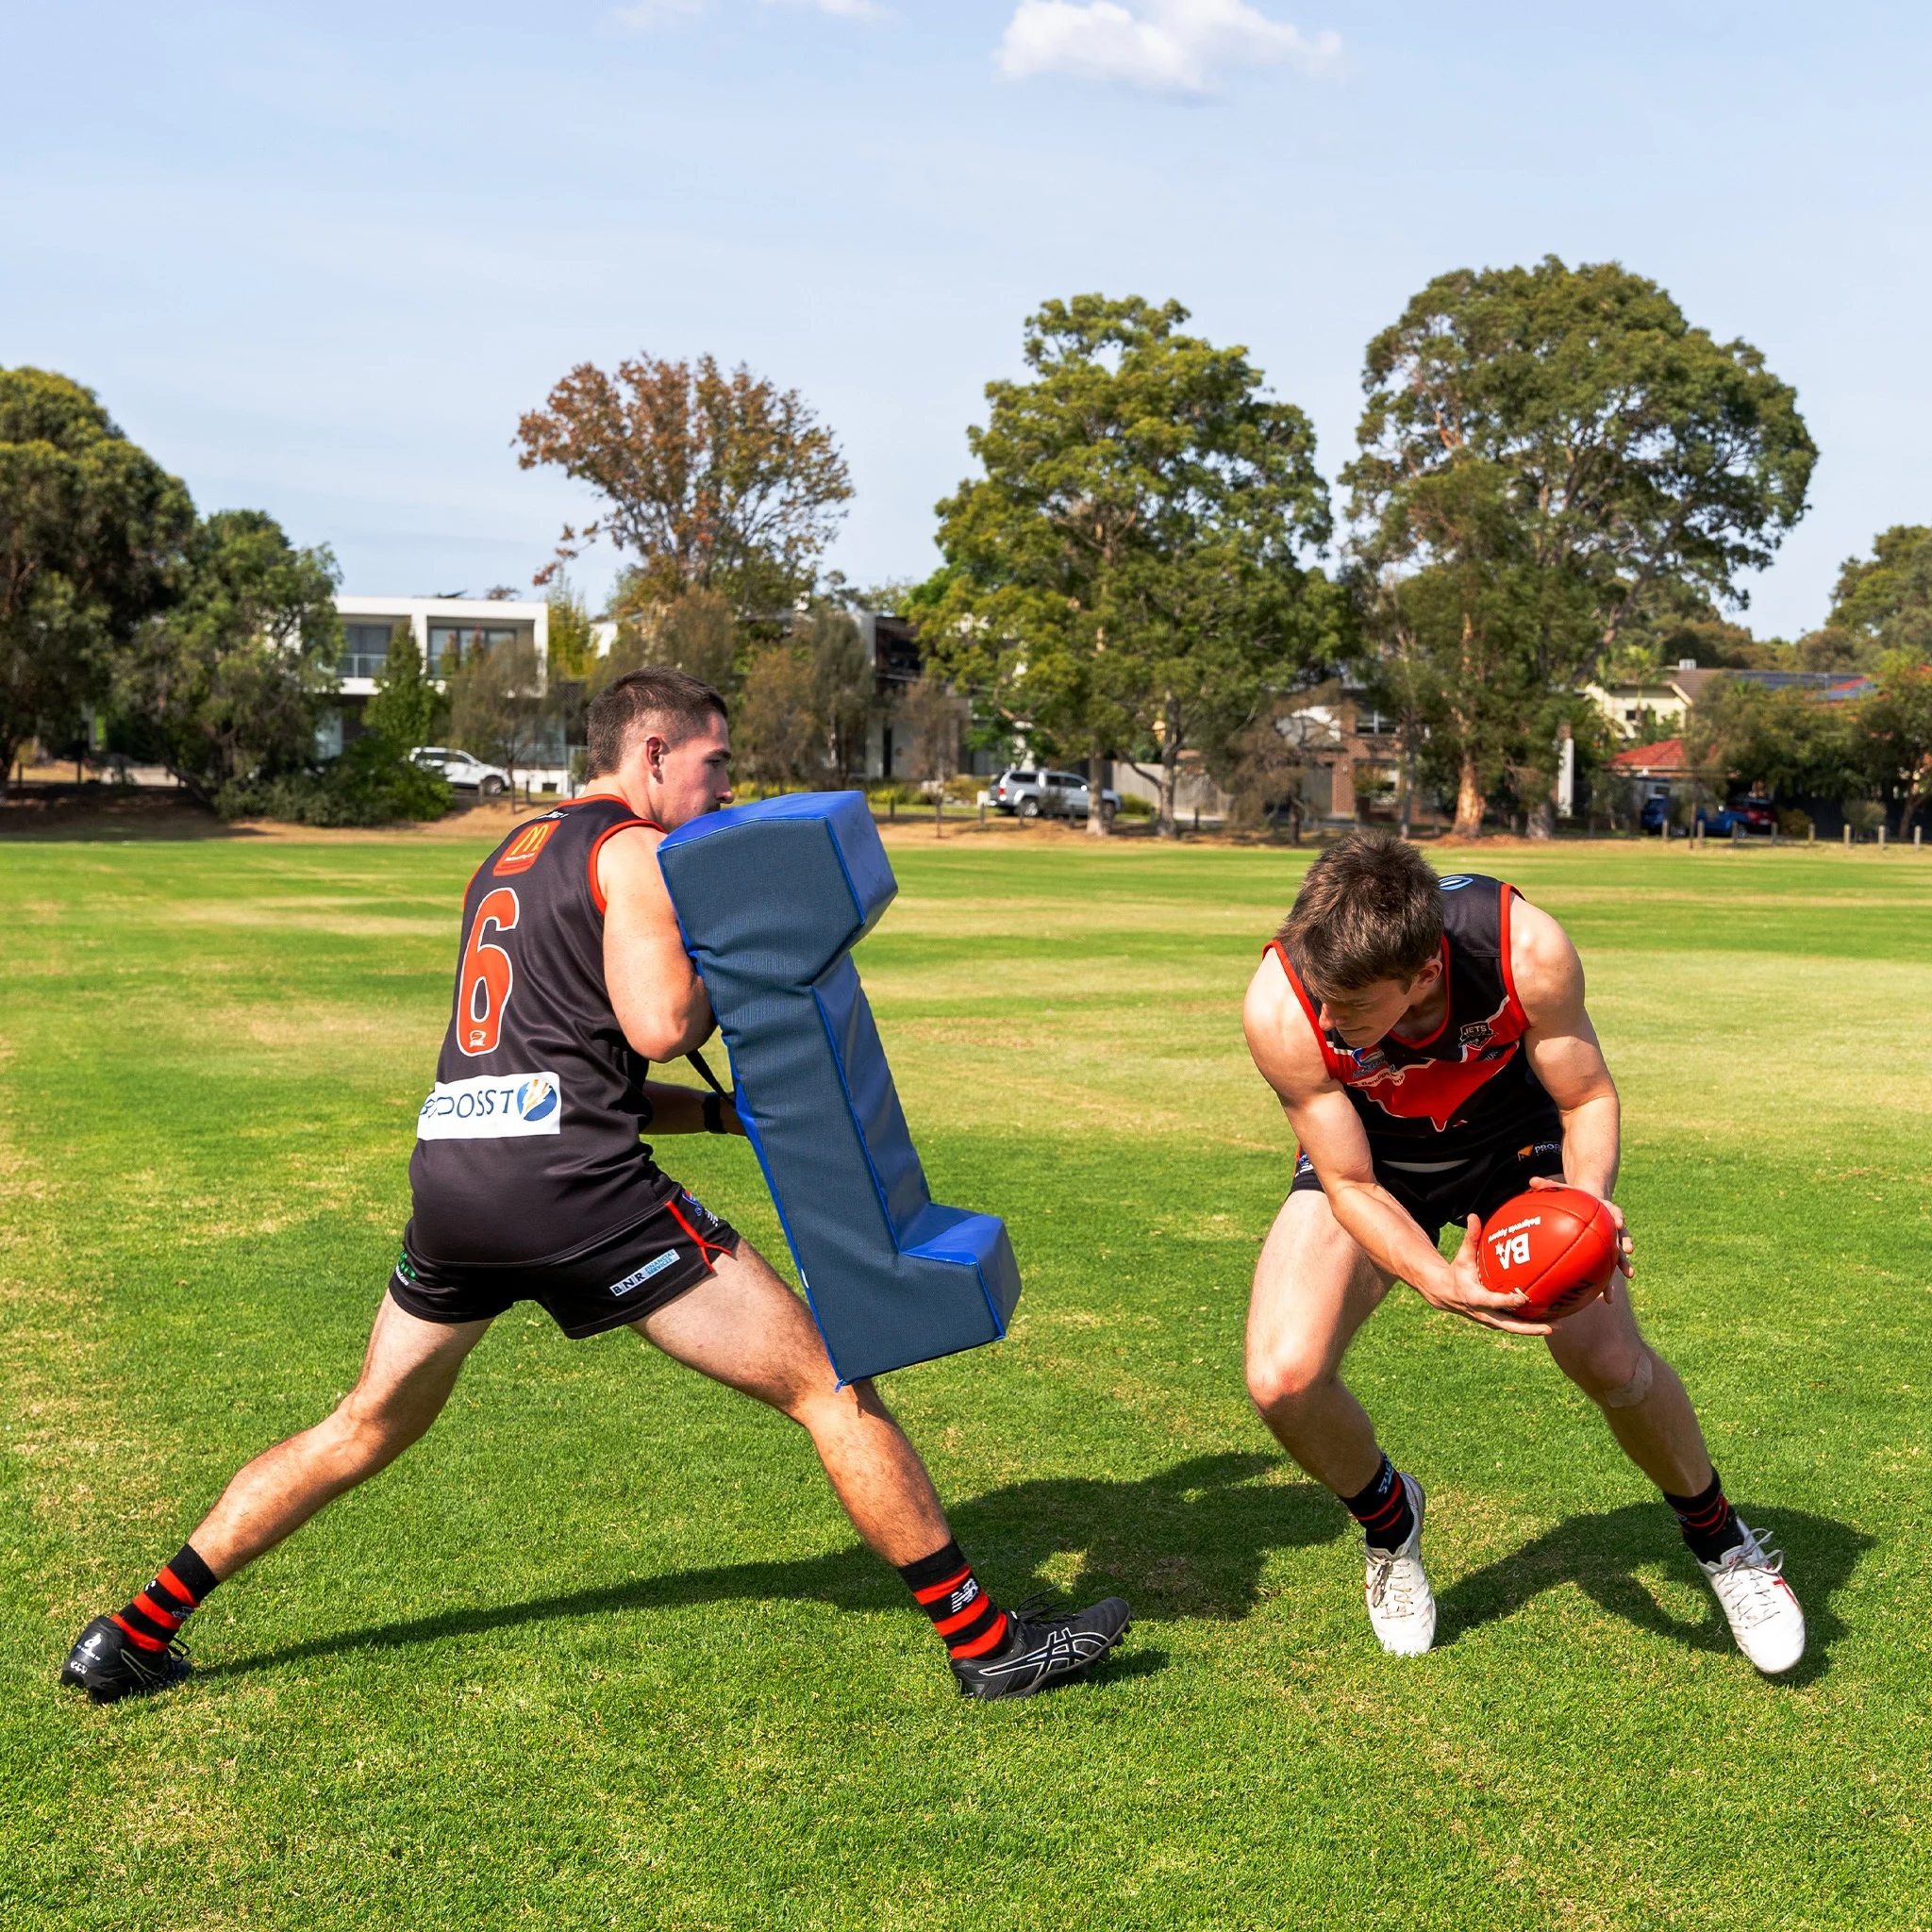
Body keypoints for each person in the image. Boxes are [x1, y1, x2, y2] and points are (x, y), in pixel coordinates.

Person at [62, 667, 1129, 1706]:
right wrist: (747, 958)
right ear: (652, 751)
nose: (722, 790)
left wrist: (717, 1113)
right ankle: (987, 1644)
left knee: (363, 1422)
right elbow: (659, 1028)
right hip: (575, 1192)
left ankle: (132, 1632)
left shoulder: (511, 853)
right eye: (713, 765)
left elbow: (569, 1065)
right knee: (828, 1384)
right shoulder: (637, 853)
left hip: (457, 1180)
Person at [1241, 830, 1804, 1672]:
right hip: (1378, 1158)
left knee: (1614, 1364)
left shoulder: (1526, 950)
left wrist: (1590, 1208)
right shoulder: (1282, 1006)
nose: (1328, 1021)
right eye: (1321, 996)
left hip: (1518, 1151)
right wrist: (1437, 1278)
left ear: (1425, 973)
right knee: (1282, 1378)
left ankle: (1723, 1542)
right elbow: (1351, 1184)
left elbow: (1585, 1098)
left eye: (1351, 1006)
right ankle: (1390, 1523)